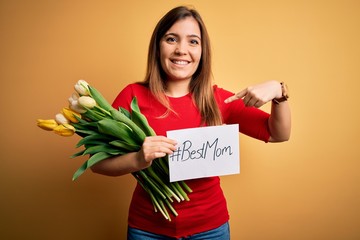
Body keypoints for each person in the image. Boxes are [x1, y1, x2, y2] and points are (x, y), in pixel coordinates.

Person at [91, 5, 291, 240]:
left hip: (210, 229)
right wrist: (138, 158)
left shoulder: (219, 100)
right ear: (158, 47)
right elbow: (97, 163)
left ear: (202, 51)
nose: (181, 50)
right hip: (148, 229)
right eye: (171, 39)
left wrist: (279, 91)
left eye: (193, 41)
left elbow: (278, 134)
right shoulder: (133, 96)